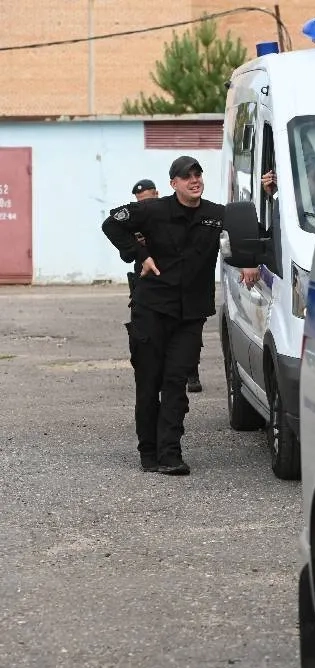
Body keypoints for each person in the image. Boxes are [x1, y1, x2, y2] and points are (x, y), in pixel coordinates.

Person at [102, 156, 224, 475]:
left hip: (190, 315)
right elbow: (111, 223)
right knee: (149, 381)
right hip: (152, 310)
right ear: (173, 183)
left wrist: (250, 259)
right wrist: (140, 254)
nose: (194, 180)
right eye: (187, 177)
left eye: (198, 174)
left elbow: (250, 232)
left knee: (175, 383)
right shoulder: (152, 210)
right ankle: (148, 451)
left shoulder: (215, 215)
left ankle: (170, 453)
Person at [127, 179, 204, 393]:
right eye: (140, 202)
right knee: (148, 335)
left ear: (157, 194)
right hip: (148, 285)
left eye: (148, 200)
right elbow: (126, 255)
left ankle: (191, 372)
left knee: (185, 331)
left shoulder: (172, 214)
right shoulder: (137, 221)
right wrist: (138, 246)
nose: (145, 205)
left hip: (177, 283)